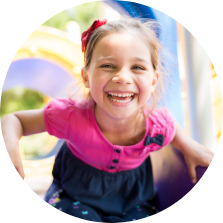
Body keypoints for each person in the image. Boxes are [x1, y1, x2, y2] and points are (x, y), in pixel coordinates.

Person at [1, 17, 214, 222]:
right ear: (86, 76)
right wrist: (11, 148)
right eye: (108, 66)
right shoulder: (70, 116)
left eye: (137, 67)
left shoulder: (156, 126)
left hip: (133, 201)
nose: (122, 77)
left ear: (153, 80)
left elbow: (169, 125)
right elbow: (14, 120)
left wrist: (189, 146)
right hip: (73, 195)